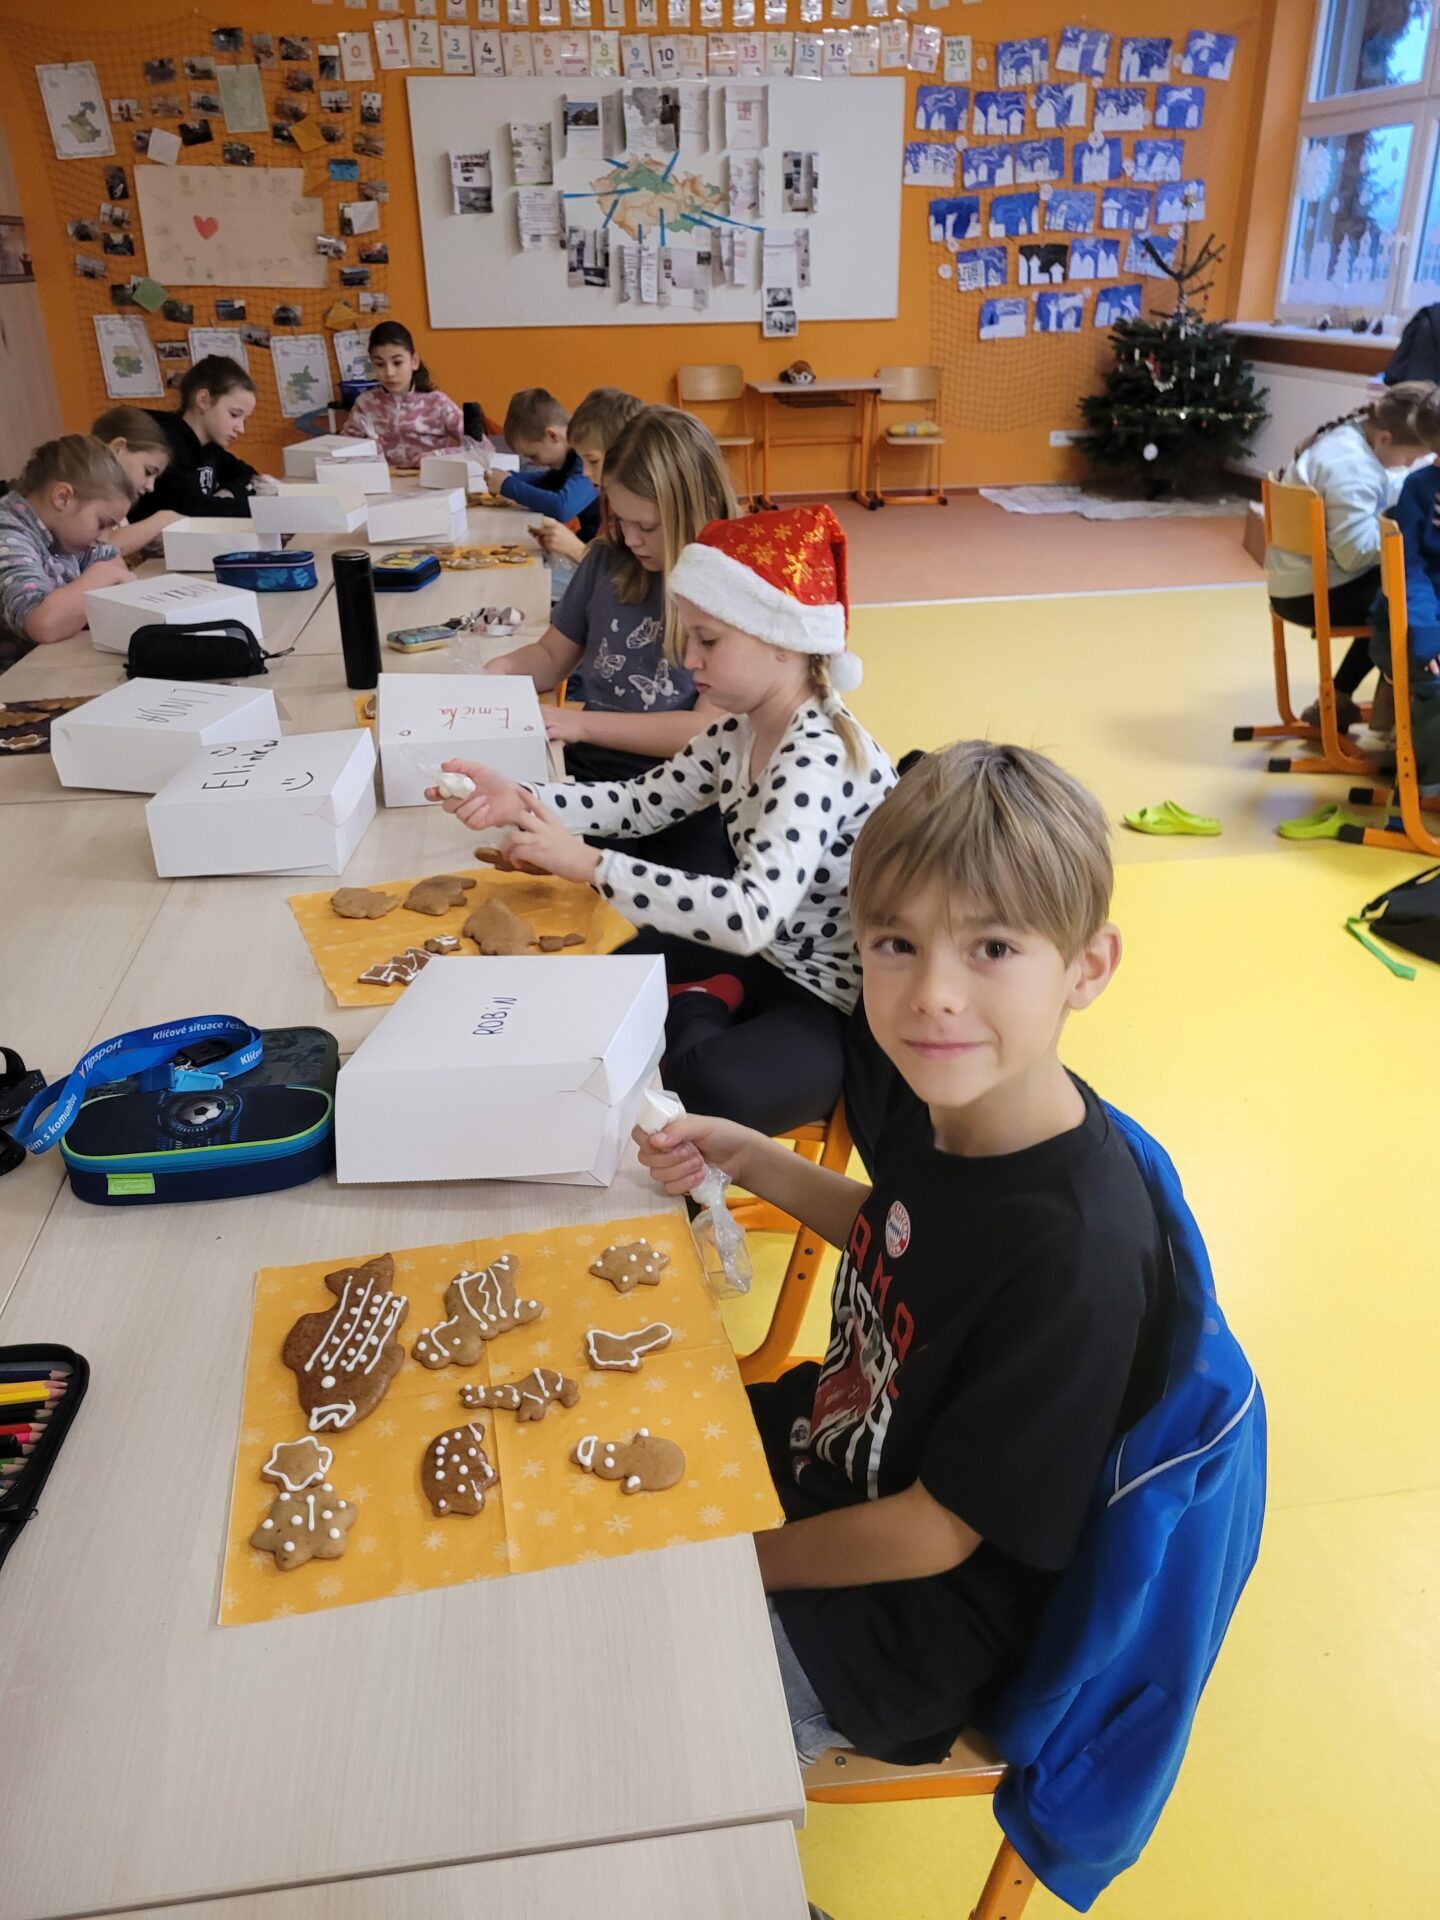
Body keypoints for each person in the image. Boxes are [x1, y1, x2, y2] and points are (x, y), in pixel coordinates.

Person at [636, 741, 1173, 1769]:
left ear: (1088, 968)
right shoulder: (956, 1110)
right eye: (896, 943)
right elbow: (897, 1233)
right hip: (830, 1458)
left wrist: (732, 1561)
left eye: (992, 948)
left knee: (633, 1711)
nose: (932, 994)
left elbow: (938, 1533)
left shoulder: (1077, 1260)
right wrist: (749, 1155)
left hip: (907, 1618)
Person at [435, 504, 897, 1135]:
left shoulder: (816, 756)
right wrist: (520, 797)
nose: (689, 658)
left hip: (831, 995)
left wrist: (590, 864)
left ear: (783, 642)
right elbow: (636, 803)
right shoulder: (739, 730)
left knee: (710, 1085)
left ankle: (699, 1003)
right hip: (764, 958)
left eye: (708, 640)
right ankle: (702, 1004)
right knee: (598, 982)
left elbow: (749, 916)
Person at [1266, 382, 1440, 731]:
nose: (1410, 465)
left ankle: (1341, 700)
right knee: (1406, 598)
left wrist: (1411, 499)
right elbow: (1354, 553)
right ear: (1385, 439)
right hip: (1313, 593)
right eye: (1411, 457)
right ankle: (1394, 714)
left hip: (1300, 581)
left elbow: (1384, 486)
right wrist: (1409, 527)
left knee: (1403, 590)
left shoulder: (1350, 440)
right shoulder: (1350, 468)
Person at [0, 435, 133, 670]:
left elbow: (113, 561)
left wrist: (106, 573)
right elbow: (43, 624)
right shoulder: (7, 533)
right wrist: (101, 576)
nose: (104, 538)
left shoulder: (65, 533)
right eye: (102, 523)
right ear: (63, 497)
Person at [1370, 454, 1440, 789]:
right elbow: (1410, 575)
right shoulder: (1419, 487)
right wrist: (1429, 641)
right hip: (1412, 628)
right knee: (1437, 684)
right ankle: (1427, 787)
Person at [528, 385, 646, 570]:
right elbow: (606, 555)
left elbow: (622, 579)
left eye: (593, 461)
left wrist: (576, 550)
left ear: (625, 453)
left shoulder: (642, 508)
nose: (585, 472)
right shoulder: (610, 497)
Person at [130, 357, 258, 522]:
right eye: (234, 415)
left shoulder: (211, 448)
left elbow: (250, 476)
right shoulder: (166, 445)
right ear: (203, 400)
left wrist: (228, 493)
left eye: (244, 420)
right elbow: (191, 509)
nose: (240, 429)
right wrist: (263, 510)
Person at [343, 322, 475, 466]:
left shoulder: (437, 403)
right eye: (380, 364)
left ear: (414, 361)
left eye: (397, 362)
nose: (389, 373)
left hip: (432, 477)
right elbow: (342, 450)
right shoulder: (365, 404)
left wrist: (437, 455)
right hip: (381, 478)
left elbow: (480, 446)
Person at [487, 388, 600, 542]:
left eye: (533, 455)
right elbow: (550, 481)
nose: (534, 462)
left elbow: (562, 508)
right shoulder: (569, 454)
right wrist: (508, 478)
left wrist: (507, 485)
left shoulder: (587, 454)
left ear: (552, 435)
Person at [89, 406, 178, 558]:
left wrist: (146, 545)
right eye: (148, 472)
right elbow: (103, 547)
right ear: (117, 448)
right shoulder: (84, 496)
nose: (150, 487)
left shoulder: (118, 501)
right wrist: (163, 519)